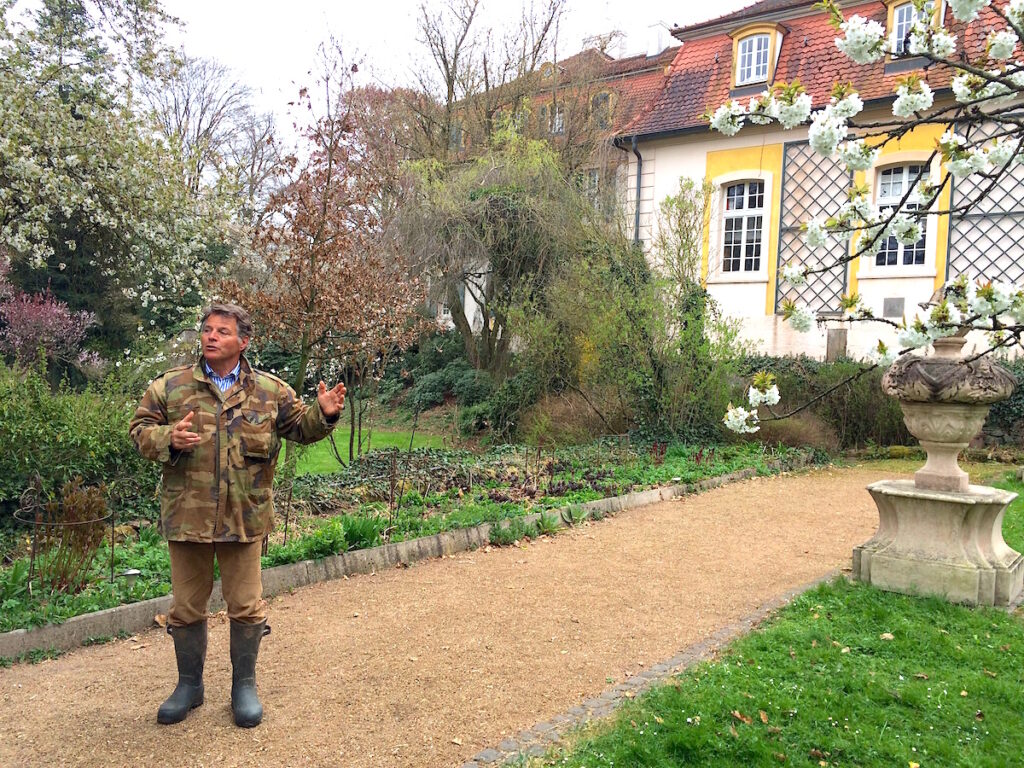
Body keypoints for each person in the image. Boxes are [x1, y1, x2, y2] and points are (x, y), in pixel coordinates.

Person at [129, 303, 345, 727]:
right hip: (187, 518)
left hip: (243, 517)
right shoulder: (170, 387)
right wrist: (167, 436)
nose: (211, 336)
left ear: (243, 341)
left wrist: (325, 413)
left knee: (246, 607)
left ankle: (243, 686)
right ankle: (188, 686)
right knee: (186, 607)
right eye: (207, 329)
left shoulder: (270, 390)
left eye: (222, 331)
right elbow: (139, 431)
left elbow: (301, 429)